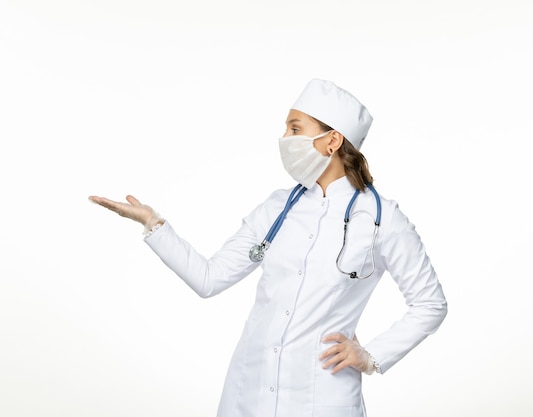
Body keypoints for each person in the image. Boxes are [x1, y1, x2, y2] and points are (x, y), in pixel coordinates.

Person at [89, 79, 447, 417]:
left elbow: (430, 304)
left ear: (332, 140)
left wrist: (370, 357)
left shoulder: (381, 219)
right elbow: (208, 279)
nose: (285, 139)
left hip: (322, 395)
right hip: (250, 389)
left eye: (295, 129)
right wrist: (153, 223)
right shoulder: (278, 207)